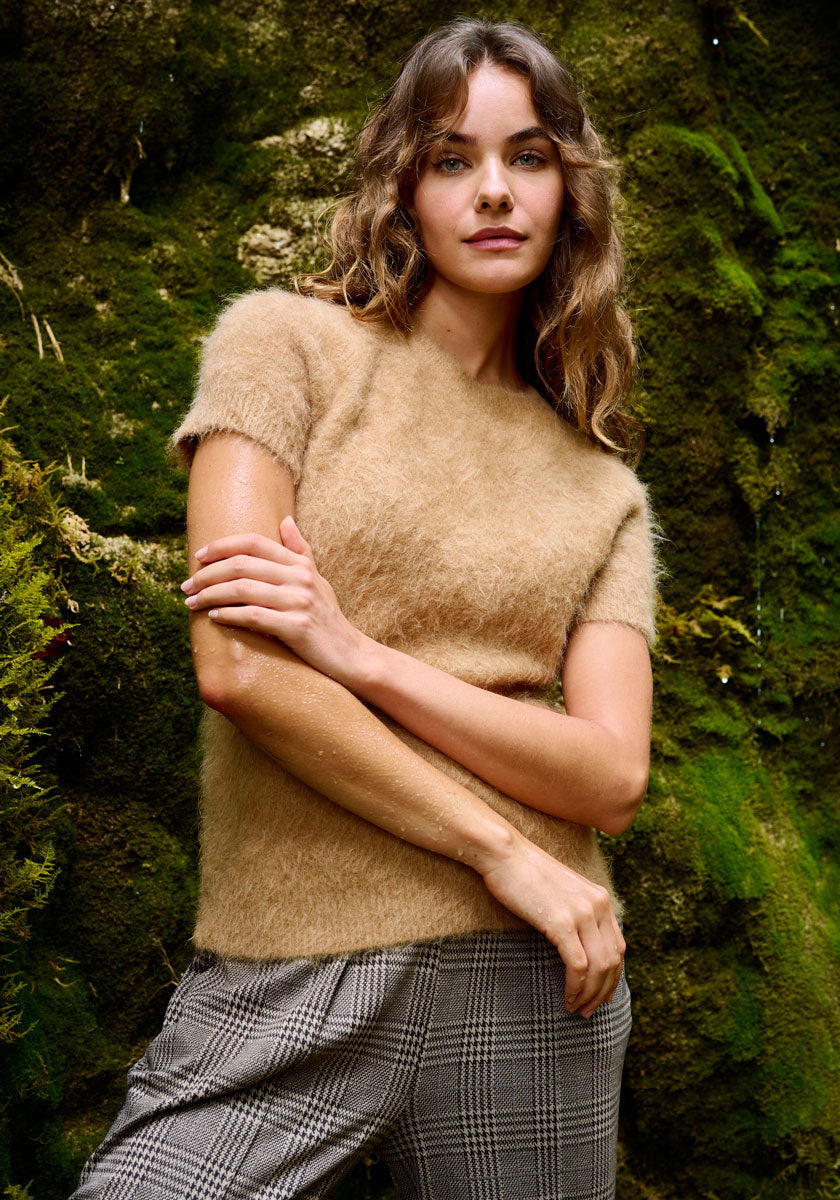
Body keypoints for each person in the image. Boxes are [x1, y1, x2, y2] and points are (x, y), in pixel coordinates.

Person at [70, 15, 666, 1200]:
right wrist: (506, 850)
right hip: (291, 971)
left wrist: (357, 654)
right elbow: (239, 670)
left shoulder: (606, 490)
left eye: (530, 156)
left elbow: (609, 776)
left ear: (571, 193)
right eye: (453, 159)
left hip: (535, 978)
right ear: (403, 185)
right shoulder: (282, 350)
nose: (493, 191)